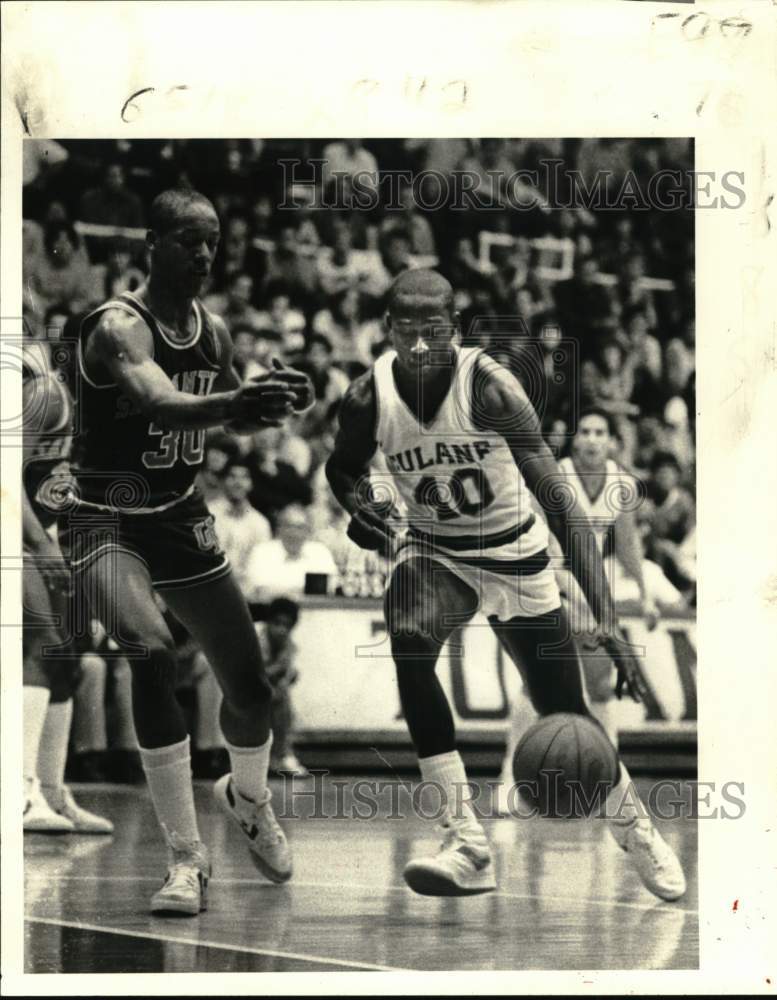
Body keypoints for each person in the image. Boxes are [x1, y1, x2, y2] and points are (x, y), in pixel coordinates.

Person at [325, 269, 686, 901]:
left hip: (516, 554)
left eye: (432, 330)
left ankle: (634, 831)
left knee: (568, 719)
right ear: (386, 329)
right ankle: (465, 840)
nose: (417, 344)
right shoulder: (366, 399)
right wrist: (360, 506)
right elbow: (341, 469)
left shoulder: (491, 388)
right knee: (409, 637)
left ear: (454, 331)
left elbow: (562, 504)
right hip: (436, 552)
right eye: (404, 329)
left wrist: (606, 621)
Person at [59, 187, 314, 915]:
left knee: (252, 688)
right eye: (188, 241)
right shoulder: (117, 326)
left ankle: (249, 794)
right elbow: (161, 403)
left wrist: (269, 400)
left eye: (212, 242)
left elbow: (219, 419)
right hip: (101, 517)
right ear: (152, 244)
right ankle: (185, 858)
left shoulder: (216, 333)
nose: (203, 254)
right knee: (149, 649)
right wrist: (239, 404)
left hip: (177, 513)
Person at [495, 408, 659, 808]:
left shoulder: (619, 482)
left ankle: (610, 784)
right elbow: (533, 537)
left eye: (600, 431)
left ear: (612, 441)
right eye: (584, 431)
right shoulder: (556, 477)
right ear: (575, 440)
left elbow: (627, 542)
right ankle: (508, 778)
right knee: (534, 681)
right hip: (547, 577)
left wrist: (645, 592)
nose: (591, 438)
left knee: (601, 686)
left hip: (588, 584)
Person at [21, 344, 113, 834]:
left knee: (68, 659)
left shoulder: (84, 404)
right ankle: (18, 789)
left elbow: (56, 485)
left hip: (42, 531)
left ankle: (52, 791)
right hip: (17, 533)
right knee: (44, 646)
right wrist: (41, 543)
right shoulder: (45, 392)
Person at [246, 503, 337, 603]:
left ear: (308, 531)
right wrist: (302, 592)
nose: (294, 533)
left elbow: (331, 590)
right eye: (288, 526)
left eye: (300, 527)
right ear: (279, 529)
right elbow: (260, 592)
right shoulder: (263, 552)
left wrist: (281, 592)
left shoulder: (320, 553)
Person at [258, 598, 307, 777]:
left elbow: (288, 676)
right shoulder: (256, 637)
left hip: (271, 693)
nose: (281, 630)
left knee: (283, 701)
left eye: (286, 625)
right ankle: (279, 755)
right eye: (276, 623)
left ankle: (282, 754)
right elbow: (252, 673)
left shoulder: (289, 645)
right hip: (245, 689)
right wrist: (279, 671)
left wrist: (286, 677)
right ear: (268, 621)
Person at [208, 458, 272, 595]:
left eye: (244, 478)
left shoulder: (260, 523)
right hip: (211, 589)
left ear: (251, 484)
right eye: (232, 477)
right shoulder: (206, 516)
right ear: (222, 481)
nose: (238, 483)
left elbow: (263, 566)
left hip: (249, 595)